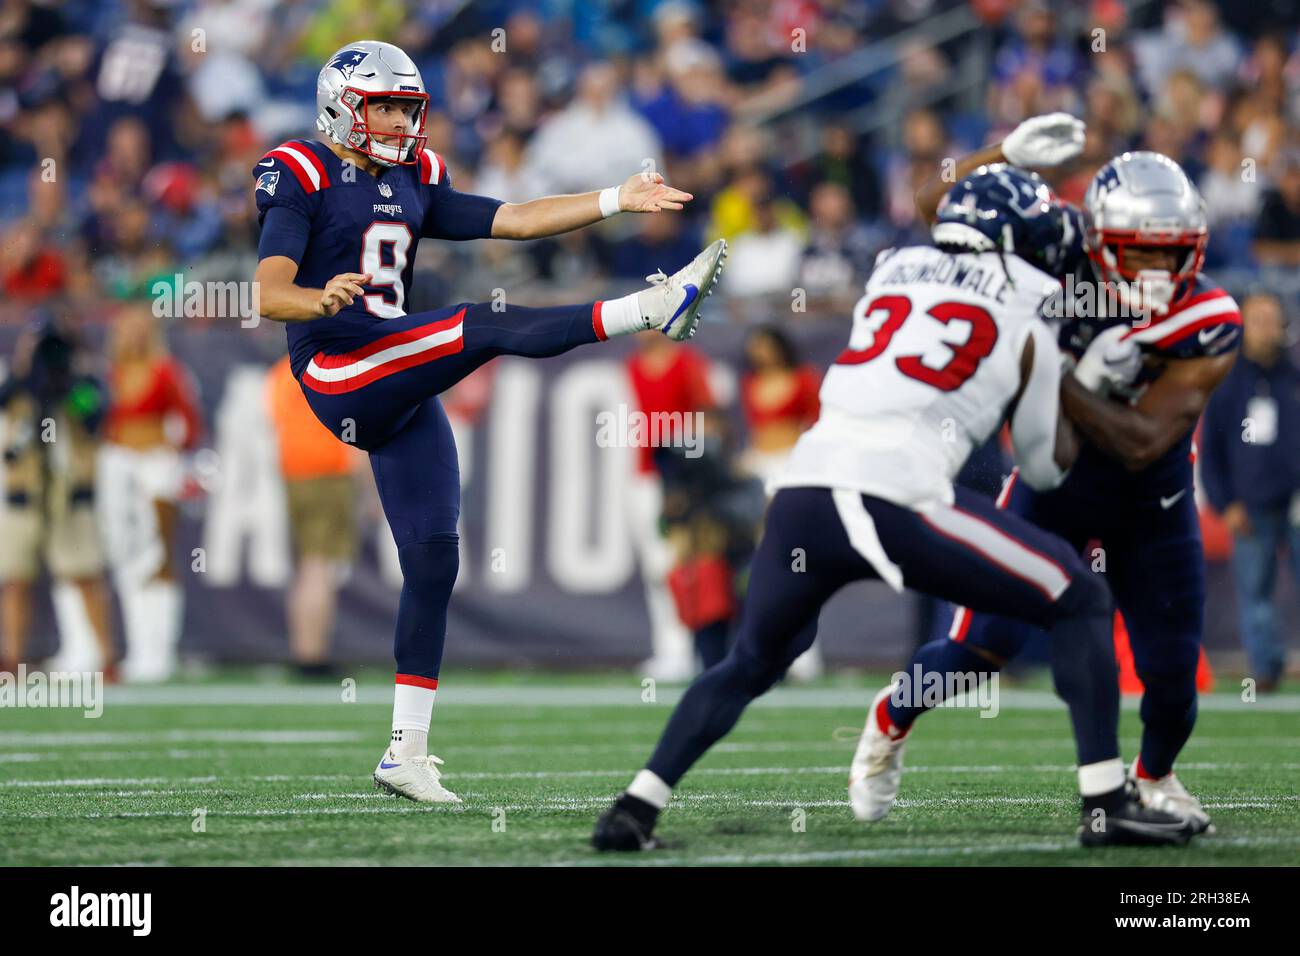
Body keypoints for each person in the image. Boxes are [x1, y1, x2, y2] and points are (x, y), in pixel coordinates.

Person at [593, 164, 1201, 852]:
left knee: (751, 662)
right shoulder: (1034, 305)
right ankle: (1104, 803)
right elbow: (1042, 465)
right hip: (896, 496)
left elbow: (933, 224)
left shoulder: (894, 265)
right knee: (1080, 596)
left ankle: (636, 807)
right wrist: (1073, 387)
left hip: (805, 493)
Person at [252, 40, 727, 804]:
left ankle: (405, 753)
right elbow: (268, 290)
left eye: (409, 107)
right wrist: (319, 300)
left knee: (436, 558)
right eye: (386, 107)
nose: (402, 122)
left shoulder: (413, 175)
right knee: (481, 323)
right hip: (338, 369)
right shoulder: (300, 170)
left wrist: (615, 198)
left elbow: (514, 218)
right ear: (344, 104)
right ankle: (650, 306)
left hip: (396, 370)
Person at [873, 117, 1242, 835]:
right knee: (983, 647)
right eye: (1141, 255)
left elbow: (1142, 442)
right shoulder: (1060, 243)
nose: (1158, 277)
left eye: (1173, 257)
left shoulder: (1207, 315)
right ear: (1100, 239)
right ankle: (892, 714)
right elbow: (936, 206)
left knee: (1170, 670)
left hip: (1152, 498)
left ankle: (1154, 778)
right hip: (1055, 485)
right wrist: (1000, 155)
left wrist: (1052, 368)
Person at [0, 318, 116, 677]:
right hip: (26, 489)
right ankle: (11, 660)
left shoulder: (82, 381)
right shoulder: (16, 381)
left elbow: (94, 417)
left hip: (70, 490)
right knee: (15, 578)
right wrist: (24, 370)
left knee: (84, 574)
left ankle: (106, 658)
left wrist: (72, 377)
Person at [1200, 291, 1300, 691]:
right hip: (1250, 505)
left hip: (1297, 502)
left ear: (1284, 325)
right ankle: (1267, 667)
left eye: (1271, 319)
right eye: (1255, 320)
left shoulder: (1296, 378)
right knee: (1254, 593)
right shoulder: (1227, 382)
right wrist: (1226, 503)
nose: (1265, 328)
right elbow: (1213, 450)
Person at [99, 306, 202, 683]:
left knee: (157, 555)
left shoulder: (167, 371)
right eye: (126, 329)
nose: (133, 336)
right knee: (126, 558)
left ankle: (159, 651)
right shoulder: (110, 374)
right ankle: (139, 648)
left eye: (141, 328)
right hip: (119, 468)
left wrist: (169, 455)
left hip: (157, 468)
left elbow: (189, 422)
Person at [266, 354, 363, 678]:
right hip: (327, 470)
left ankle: (304, 649)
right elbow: (354, 422)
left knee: (309, 561)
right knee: (319, 564)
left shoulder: (281, 372)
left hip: (294, 471)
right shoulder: (331, 367)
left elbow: (274, 418)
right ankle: (311, 654)